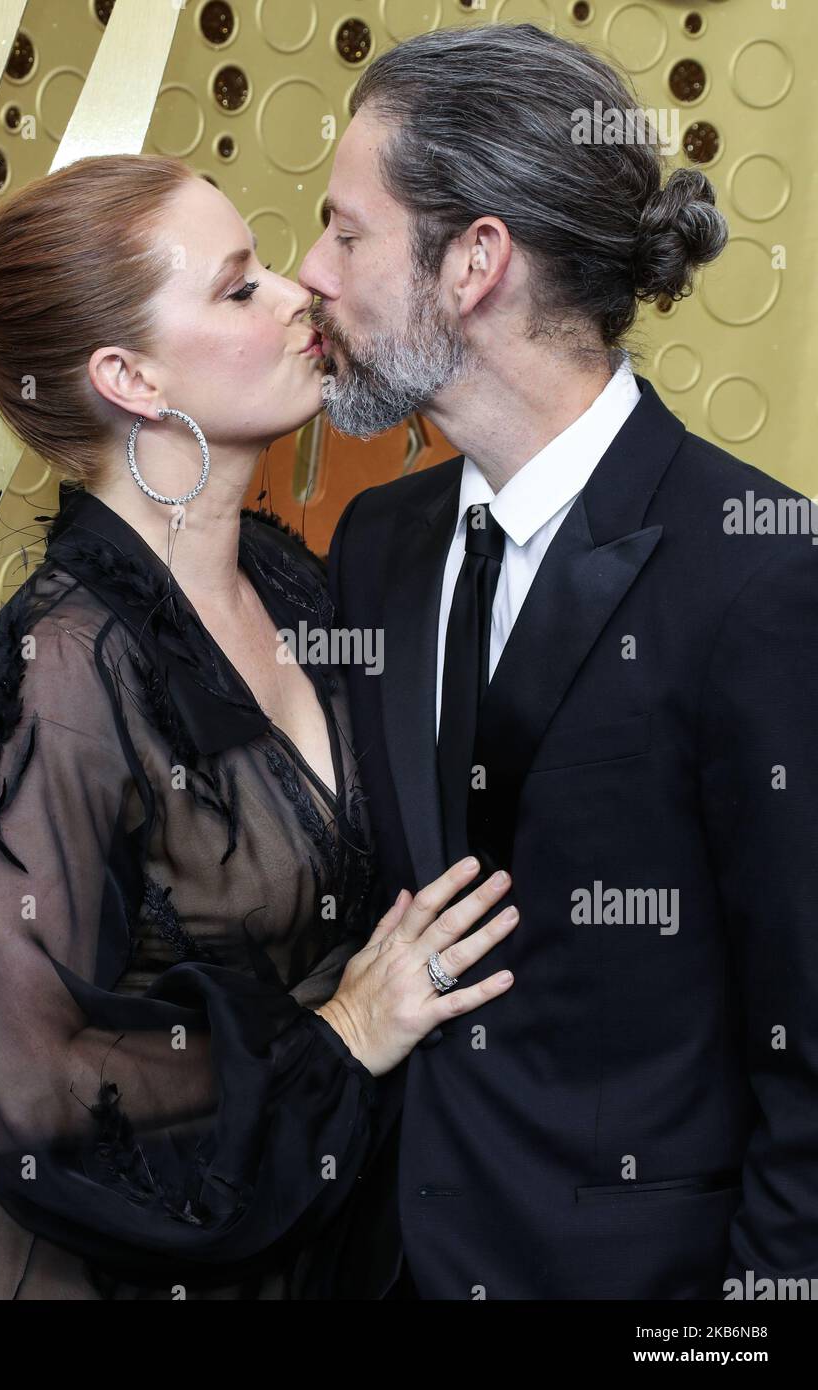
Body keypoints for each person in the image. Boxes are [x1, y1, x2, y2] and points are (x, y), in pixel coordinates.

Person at [0, 154, 519, 1300]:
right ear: (128, 375)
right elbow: (35, 1089)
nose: (297, 296)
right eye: (239, 287)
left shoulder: (306, 586)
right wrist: (346, 1034)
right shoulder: (57, 675)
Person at [307, 23, 818, 1298]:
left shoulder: (761, 574)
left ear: (477, 259)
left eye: (346, 231)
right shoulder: (377, 543)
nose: (307, 270)